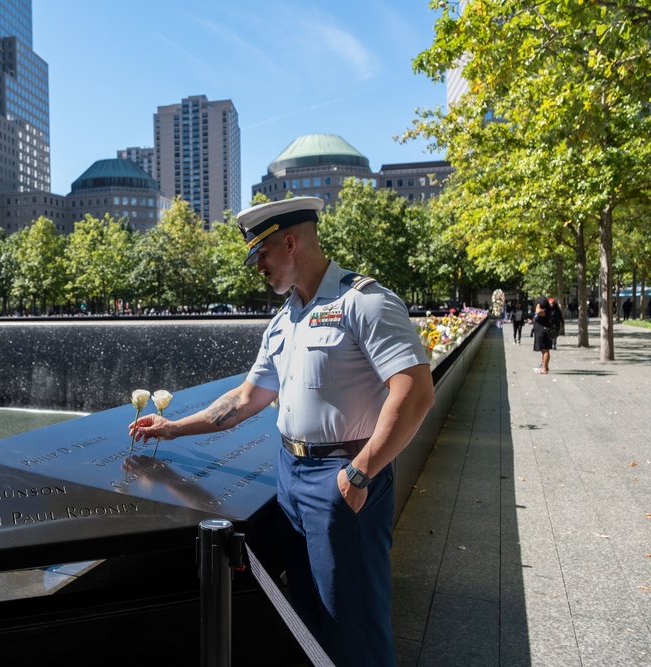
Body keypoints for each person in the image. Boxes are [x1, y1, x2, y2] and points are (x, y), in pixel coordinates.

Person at [129, 197, 435, 667]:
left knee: (354, 624)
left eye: (261, 255)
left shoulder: (365, 301)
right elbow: (245, 399)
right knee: (308, 618)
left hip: (343, 475)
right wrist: (171, 429)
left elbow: (414, 393)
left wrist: (359, 473)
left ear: (289, 243)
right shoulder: (283, 321)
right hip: (290, 476)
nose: (258, 268)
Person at [533, 297, 553, 373]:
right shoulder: (544, 310)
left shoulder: (545, 310)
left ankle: (544, 369)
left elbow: (538, 312)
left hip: (543, 332)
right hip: (539, 331)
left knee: (545, 350)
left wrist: (538, 305)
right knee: (543, 350)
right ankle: (544, 366)